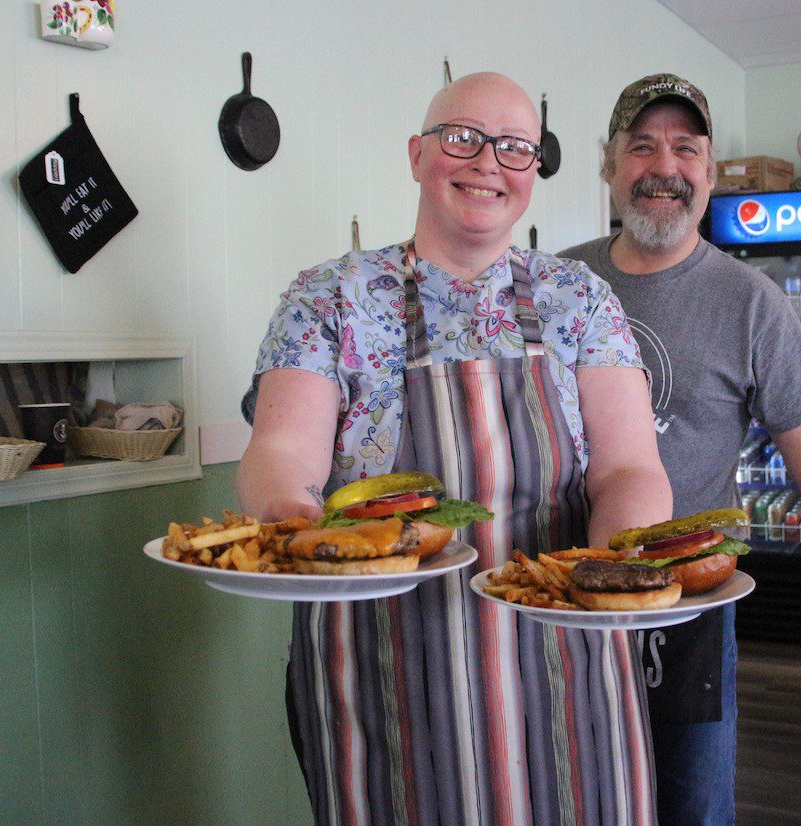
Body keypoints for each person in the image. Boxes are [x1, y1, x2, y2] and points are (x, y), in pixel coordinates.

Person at [237, 72, 672, 824]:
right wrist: (292, 522)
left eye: (514, 147)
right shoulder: (330, 296)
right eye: (462, 138)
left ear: (533, 170)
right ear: (417, 154)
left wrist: (616, 566)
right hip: (380, 667)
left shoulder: (581, 299)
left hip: (566, 657)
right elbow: (283, 454)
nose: (487, 163)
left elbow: (630, 467)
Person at [559, 73, 801, 825]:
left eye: (685, 148)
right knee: (564, 797)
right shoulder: (558, 284)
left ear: (710, 172)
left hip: (688, 606)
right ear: (609, 164)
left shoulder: (752, 302)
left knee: (689, 804)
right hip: (556, 596)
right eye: (642, 146)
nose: (664, 167)